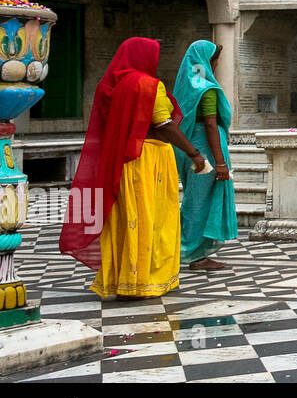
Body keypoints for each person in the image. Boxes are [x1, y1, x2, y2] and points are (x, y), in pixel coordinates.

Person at [60, 37, 211, 298]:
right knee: (151, 219)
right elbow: (164, 124)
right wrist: (194, 154)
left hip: (122, 161)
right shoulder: (148, 85)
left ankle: (124, 278)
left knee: (126, 219)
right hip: (148, 160)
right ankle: (145, 279)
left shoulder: (111, 84)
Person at [173, 39, 238, 271]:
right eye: (215, 59)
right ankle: (191, 254)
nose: (217, 63)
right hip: (206, 150)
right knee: (198, 202)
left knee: (193, 200)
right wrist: (219, 163)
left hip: (187, 147)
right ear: (210, 61)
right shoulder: (206, 89)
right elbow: (211, 124)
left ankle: (189, 250)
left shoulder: (186, 86)